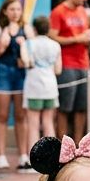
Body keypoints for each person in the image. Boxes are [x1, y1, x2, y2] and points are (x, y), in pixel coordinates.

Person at [50, 0, 90, 140]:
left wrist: (87, 39)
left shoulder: (82, 11)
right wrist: (76, 38)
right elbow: (52, 36)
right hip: (67, 64)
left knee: (82, 107)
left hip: (84, 63)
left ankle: (78, 144)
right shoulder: (58, 11)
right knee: (64, 108)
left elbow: (84, 35)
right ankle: (63, 144)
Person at [0, 0, 32, 172]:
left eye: (18, 9)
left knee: (20, 116)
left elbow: (32, 55)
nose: (16, 13)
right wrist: (3, 42)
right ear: (5, 11)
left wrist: (24, 48)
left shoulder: (27, 29)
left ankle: (23, 154)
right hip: (2, 72)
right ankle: (1, 155)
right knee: (2, 115)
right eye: (12, 9)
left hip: (21, 74)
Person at [25, 15, 63, 160]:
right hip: (50, 86)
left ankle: (34, 158)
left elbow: (27, 62)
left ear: (35, 28)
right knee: (48, 122)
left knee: (33, 124)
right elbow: (58, 69)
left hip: (34, 86)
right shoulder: (55, 45)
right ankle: (52, 156)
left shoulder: (29, 44)